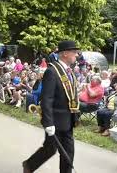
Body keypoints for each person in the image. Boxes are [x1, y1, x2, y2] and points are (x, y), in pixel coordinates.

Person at [23, 40, 80, 173]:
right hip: (55, 121)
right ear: (65, 53)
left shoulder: (69, 72)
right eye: (74, 52)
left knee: (68, 153)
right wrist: (48, 122)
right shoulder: (52, 72)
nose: (76, 55)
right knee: (50, 150)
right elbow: (46, 99)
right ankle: (29, 165)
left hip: (68, 120)